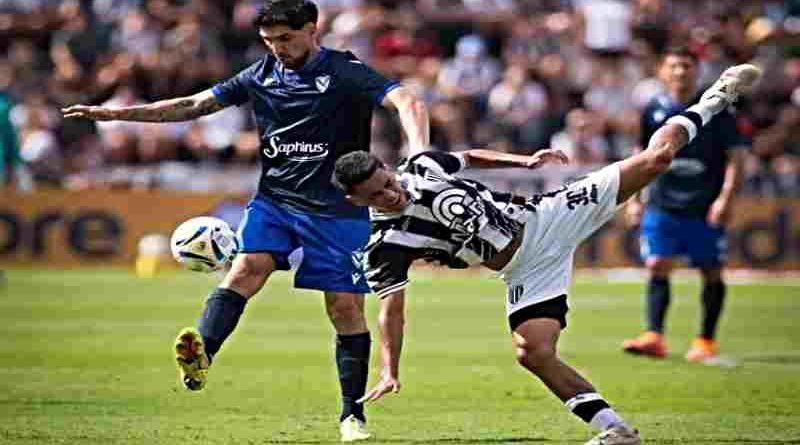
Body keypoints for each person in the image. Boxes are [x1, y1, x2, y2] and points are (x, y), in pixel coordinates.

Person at [332, 64, 760, 445]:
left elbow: (466, 157)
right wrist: (390, 368)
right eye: (377, 195)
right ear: (356, 201)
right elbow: (392, 311)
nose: (392, 192)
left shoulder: (422, 167)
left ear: (386, 166)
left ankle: (715, 97)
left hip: (548, 217)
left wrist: (524, 161)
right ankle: (616, 429)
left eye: (387, 180)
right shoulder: (385, 245)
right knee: (532, 352)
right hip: (525, 269)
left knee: (657, 159)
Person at [62, 1, 430, 441]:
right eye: (270, 41)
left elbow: (406, 100)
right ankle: (202, 354)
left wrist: (420, 152)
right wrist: (119, 114)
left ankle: (352, 415)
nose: (277, 48)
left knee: (344, 308)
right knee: (245, 268)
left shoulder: (345, 71)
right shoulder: (260, 75)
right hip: (275, 201)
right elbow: (195, 104)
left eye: (286, 39)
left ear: (313, 30)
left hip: (337, 209)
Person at [621, 47, 747, 364]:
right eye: (674, 66)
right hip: (663, 203)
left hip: (704, 205)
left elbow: (736, 158)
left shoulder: (717, 109)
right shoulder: (652, 109)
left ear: (697, 70)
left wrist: (726, 198)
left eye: (686, 66)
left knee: (711, 271)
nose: (680, 72)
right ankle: (654, 336)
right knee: (657, 265)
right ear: (663, 71)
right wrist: (634, 198)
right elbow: (641, 154)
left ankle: (705, 341)